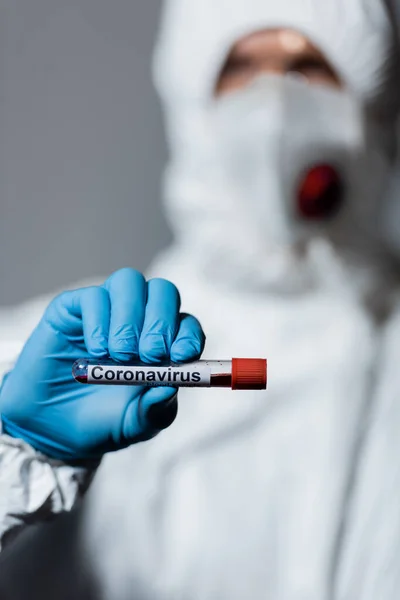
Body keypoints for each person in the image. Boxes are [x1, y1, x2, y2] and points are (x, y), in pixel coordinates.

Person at [1, 0, 400, 598]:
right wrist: (21, 457)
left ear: (372, 100)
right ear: (194, 101)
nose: (275, 106)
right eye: (242, 66)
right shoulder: (62, 355)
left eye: (308, 65)